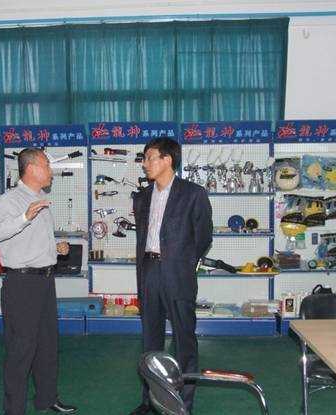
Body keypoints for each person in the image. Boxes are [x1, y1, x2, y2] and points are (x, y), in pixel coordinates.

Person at [0, 148, 77, 415]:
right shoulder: (11, 200)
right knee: (21, 350)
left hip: (45, 281)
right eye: (47, 165)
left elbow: (30, 242)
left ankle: (47, 399)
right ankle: (14, 410)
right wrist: (24, 217)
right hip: (22, 285)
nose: (51, 171)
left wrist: (55, 248)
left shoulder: (40, 200)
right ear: (32, 168)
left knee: (48, 344)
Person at [130, 138, 213, 415]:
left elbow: (203, 237)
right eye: (144, 158)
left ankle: (183, 405)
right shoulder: (142, 197)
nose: (145, 164)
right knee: (150, 341)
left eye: (149, 158)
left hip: (178, 274)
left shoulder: (193, 194)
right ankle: (149, 401)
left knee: (184, 340)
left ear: (167, 160)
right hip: (149, 272)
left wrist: (184, 263)